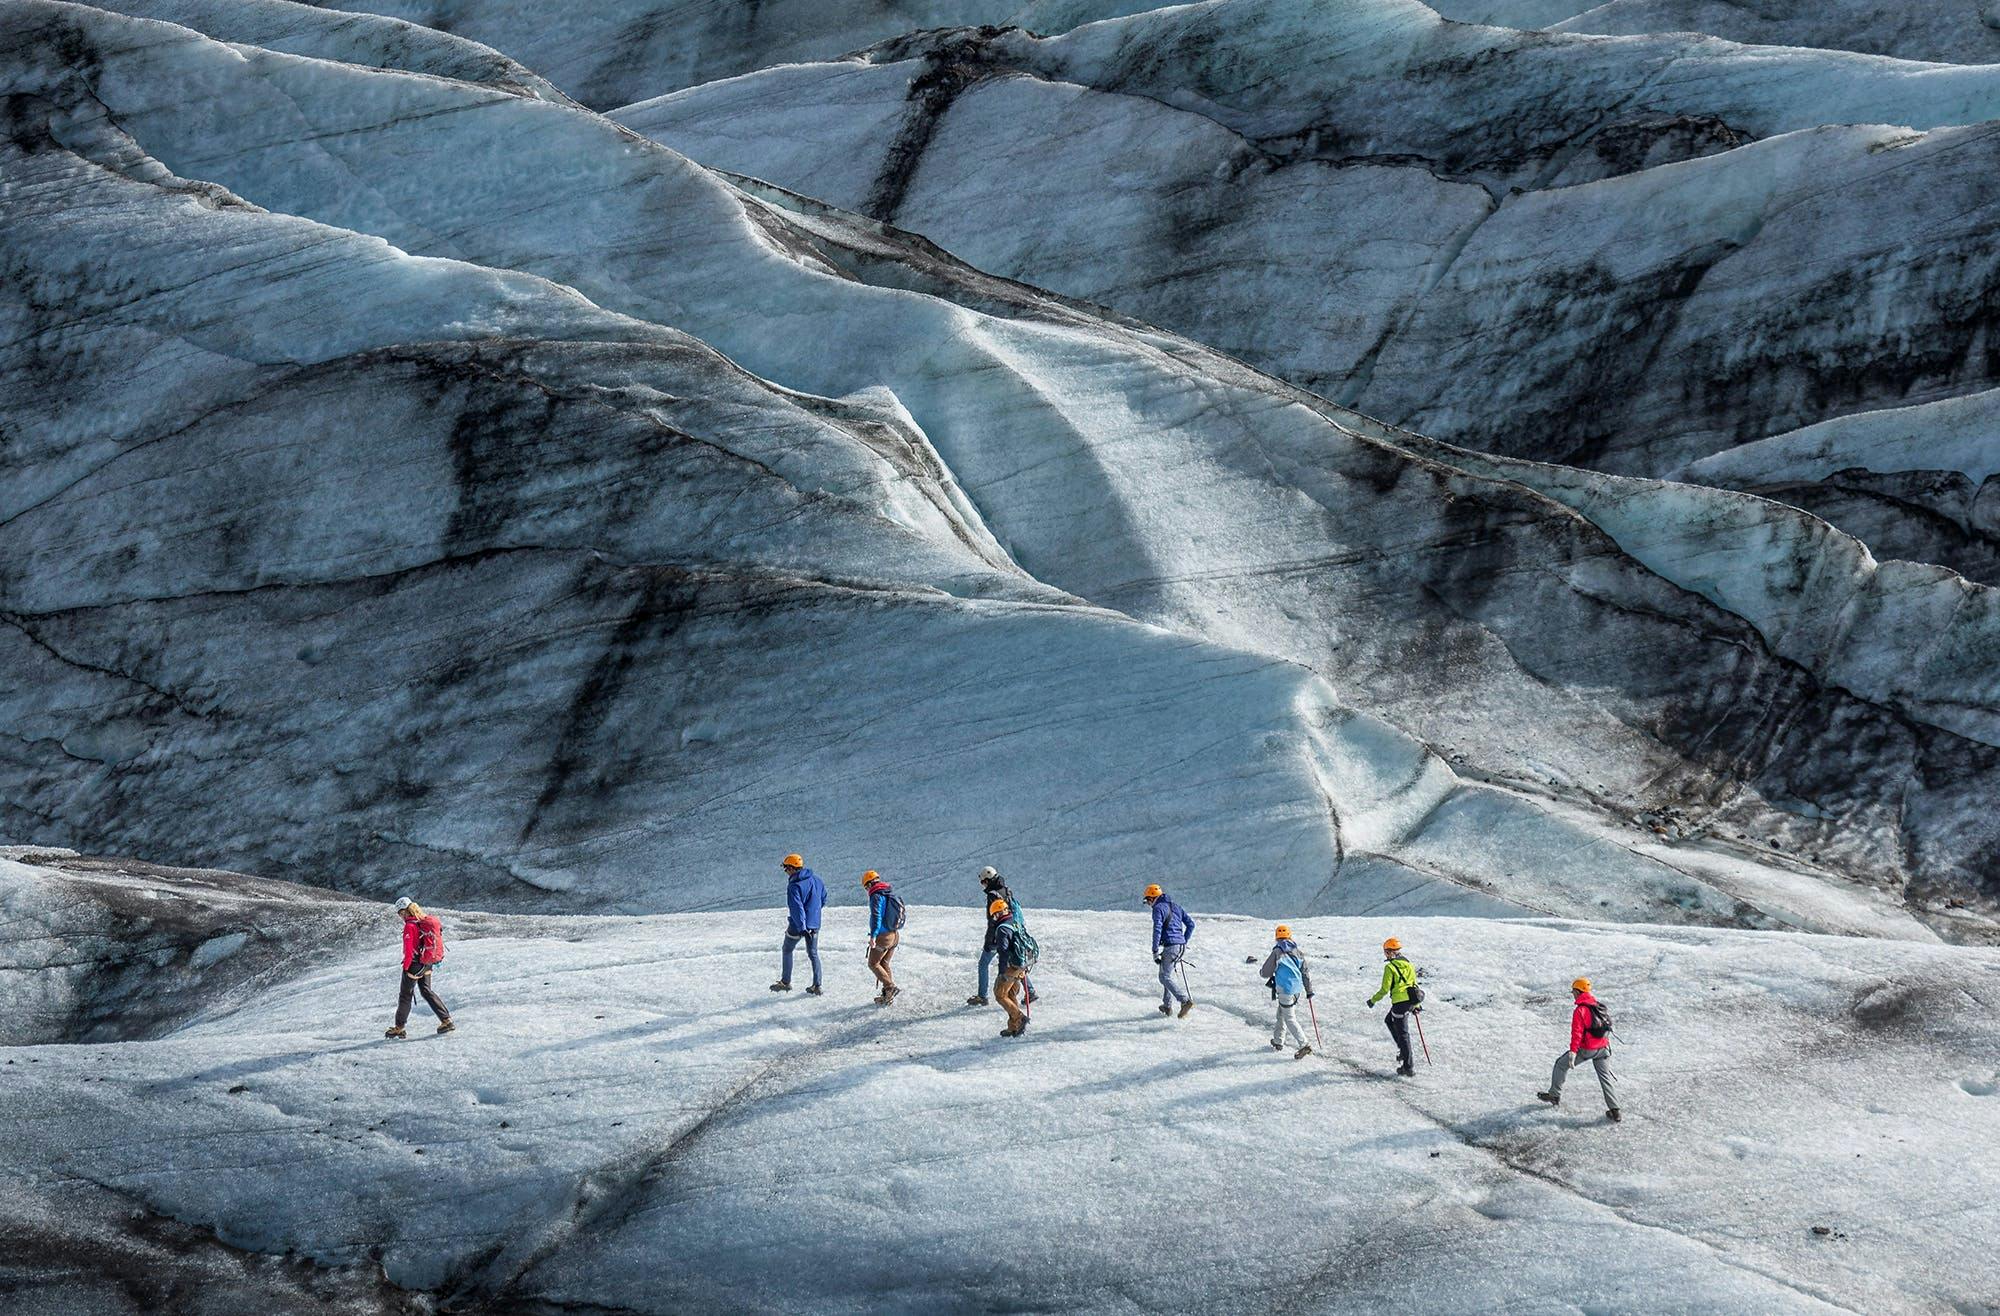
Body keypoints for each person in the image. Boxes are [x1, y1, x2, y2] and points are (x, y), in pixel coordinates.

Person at [1539, 978, 1621, 1121]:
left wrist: (1573, 1052)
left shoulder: (1580, 1010)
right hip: (1603, 1049)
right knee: (1605, 1078)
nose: (1573, 994)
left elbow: (1576, 1033)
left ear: (1578, 992)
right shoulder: (1599, 1005)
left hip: (1588, 1049)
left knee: (1560, 1064)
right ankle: (1615, 1111)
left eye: (1573, 992)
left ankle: (1554, 1095)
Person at [385, 897, 452, 1038]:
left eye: (399, 913)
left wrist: (407, 966)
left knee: (405, 995)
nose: (400, 916)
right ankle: (446, 1020)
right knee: (426, 991)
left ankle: (399, 1028)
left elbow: (409, 950)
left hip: (415, 965)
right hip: (426, 962)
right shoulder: (422, 922)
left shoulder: (410, 926)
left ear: (404, 912)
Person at [970, 866, 1036, 1007]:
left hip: (999, 935)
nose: (983, 885)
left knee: (983, 964)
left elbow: (993, 920)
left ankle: (982, 996)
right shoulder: (1006, 890)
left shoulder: (993, 895)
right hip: (1012, 930)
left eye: (983, 882)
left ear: (988, 880)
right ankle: (1030, 991)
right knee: (1015, 962)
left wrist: (990, 941)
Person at [772, 853, 826, 995]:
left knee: (787, 949)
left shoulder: (794, 886)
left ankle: (786, 982)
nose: (785, 872)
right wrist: (814, 914)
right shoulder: (817, 880)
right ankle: (817, 985)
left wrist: (802, 928)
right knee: (813, 953)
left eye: (786, 868)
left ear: (791, 868)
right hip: (814, 924)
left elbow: (797, 908)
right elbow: (823, 898)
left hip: (798, 926)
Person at [1366, 937, 1419, 1076]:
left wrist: (1373, 1000)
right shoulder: (1409, 964)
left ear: (1390, 952)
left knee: (1403, 1034)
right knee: (1389, 1020)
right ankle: (1403, 1051)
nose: (1385, 954)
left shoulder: (1390, 967)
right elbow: (1414, 985)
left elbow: (1384, 989)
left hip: (1399, 1003)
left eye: (1385, 952)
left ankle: (1408, 1067)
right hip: (1410, 1002)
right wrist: (1417, 1005)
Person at [1260, 924, 1314, 1058]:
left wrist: (1262, 972)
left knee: (1289, 1018)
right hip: (1297, 990)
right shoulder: (1298, 952)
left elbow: (1266, 972)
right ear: (1289, 936)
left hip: (1285, 990)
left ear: (1276, 937)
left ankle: (1304, 1044)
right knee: (1281, 1014)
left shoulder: (1277, 952)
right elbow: (1305, 973)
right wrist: (1309, 990)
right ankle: (1278, 1041)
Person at [1142, 883, 1195, 1018]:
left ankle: (1184, 1001)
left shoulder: (1158, 908)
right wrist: (1183, 940)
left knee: (1163, 977)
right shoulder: (1175, 906)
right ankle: (1167, 1006)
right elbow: (1191, 924)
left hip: (1171, 946)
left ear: (1153, 898)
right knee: (1167, 974)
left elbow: (1157, 929)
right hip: (1180, 946)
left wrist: (1154, 950)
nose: (1148, 904)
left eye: (1148, 900)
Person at [989, 898, 1035, 1037]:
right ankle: (1014, 1027)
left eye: (995, 915)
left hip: (1011, 966)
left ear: (998, 914)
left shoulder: (1002, 929)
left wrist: (1002, 971)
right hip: (1022, 964)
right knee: (1010, 994)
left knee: (1000, 994)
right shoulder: (1015, 922)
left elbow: (1003, 951)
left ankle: (1019, 1018)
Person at [863, 871, 903, 1004]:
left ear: (869, 884)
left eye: (866, 887)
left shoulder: (876, 895)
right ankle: (888, 996)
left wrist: (873, 935)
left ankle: (890, 987)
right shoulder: (889, 892)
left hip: (883, 936)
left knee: (873, 963)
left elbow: (876, 916)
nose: (867, 890)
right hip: (895, 935)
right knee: (884, 963)